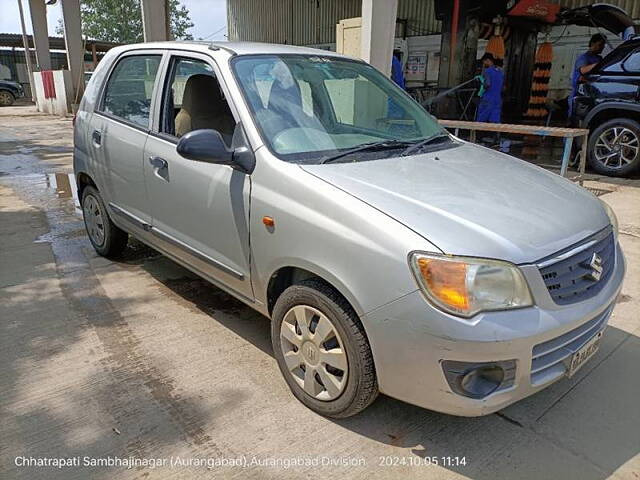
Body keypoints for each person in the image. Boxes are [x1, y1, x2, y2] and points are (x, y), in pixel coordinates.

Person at [569, 33, 605, 121]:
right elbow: (583, 70)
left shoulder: (599, 58)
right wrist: (597, 65)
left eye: (603, 45)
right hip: (579, 95)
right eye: (600, 45)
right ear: (593, 43)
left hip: (592, 95)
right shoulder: (583, 58)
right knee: (576, 122)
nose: (602, 47)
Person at [476, 52, 504, 123]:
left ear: (488, 60)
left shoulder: (487, 71)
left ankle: (477, 133)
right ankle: (495, 134)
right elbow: (502, 86)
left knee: (481, 120)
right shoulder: (500, 72)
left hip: (487, 98)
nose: (484, 64)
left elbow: (487, 84)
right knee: (494, 122)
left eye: (484, 62)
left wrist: (481, 81)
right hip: (497, 100)